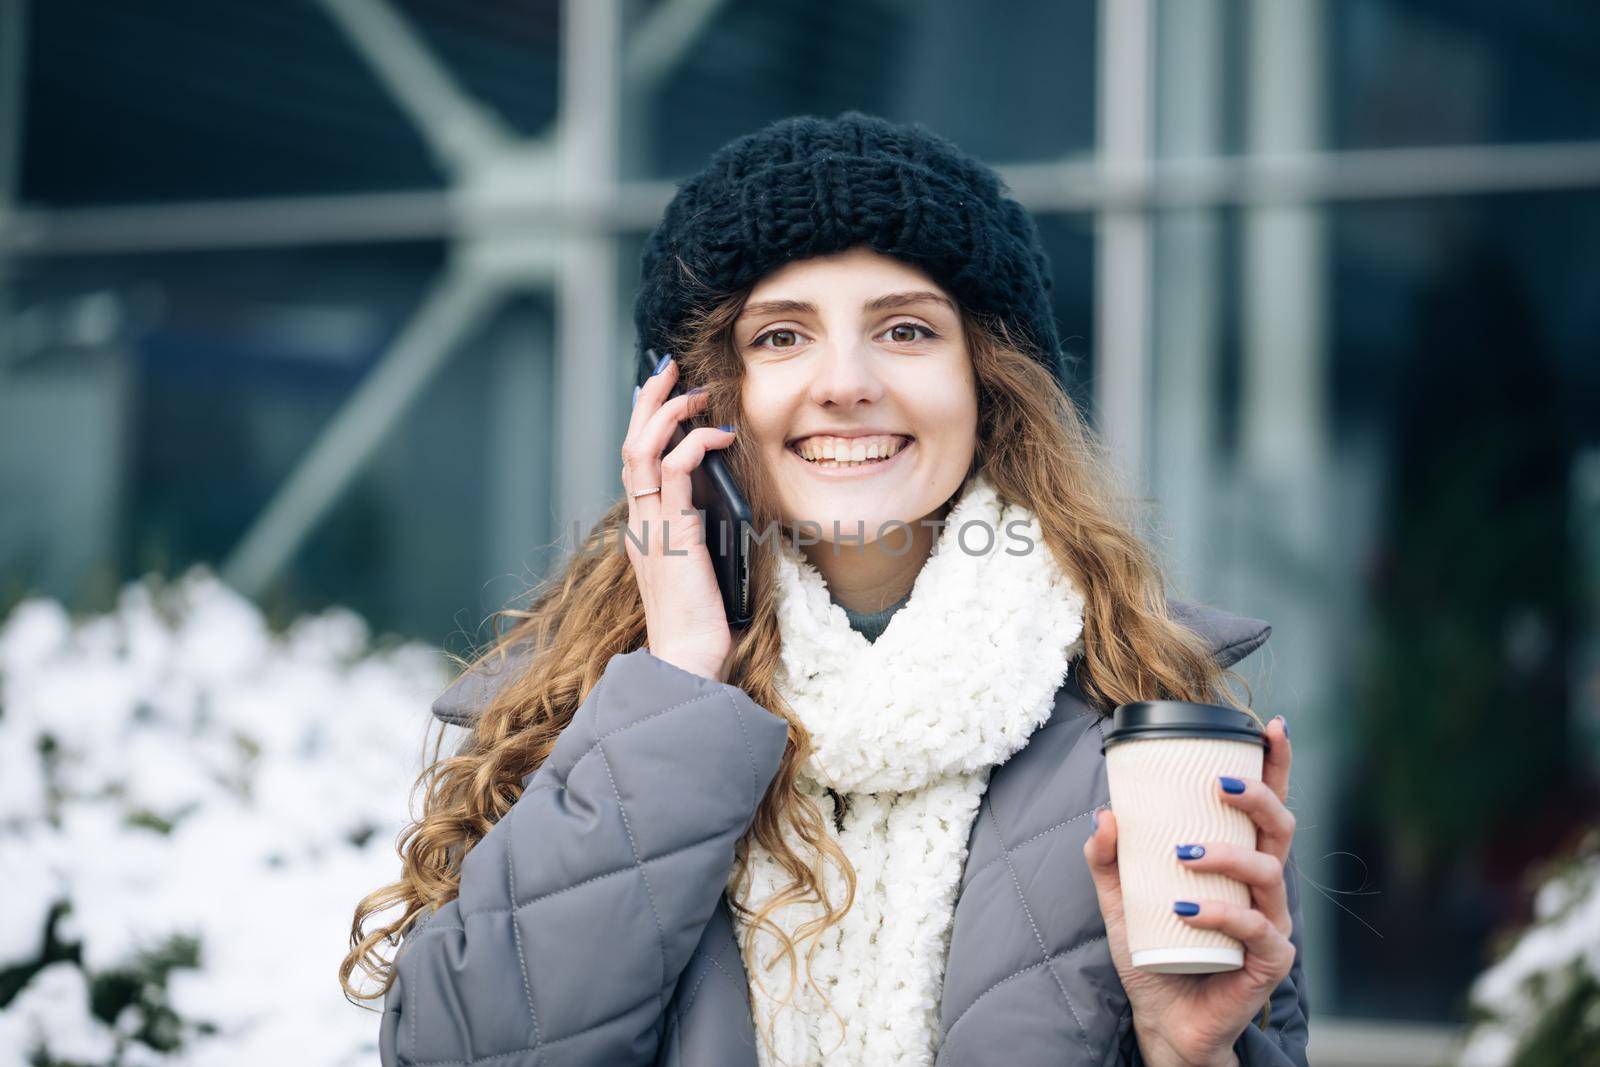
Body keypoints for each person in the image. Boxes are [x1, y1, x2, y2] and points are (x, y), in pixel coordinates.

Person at [340, 110, 1309, 1067]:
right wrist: (678, 678)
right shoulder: (584, 711)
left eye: (903, 328)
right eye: (779, 337)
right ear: (693, 398)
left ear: (989, 382)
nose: (844, 382)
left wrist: (1190, 1056)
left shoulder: (1147, 717)